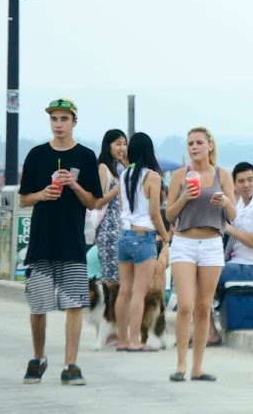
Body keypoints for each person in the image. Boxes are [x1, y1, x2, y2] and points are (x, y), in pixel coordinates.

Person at [19, 98, 102, 385]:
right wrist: (43, 194)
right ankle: (38, 357)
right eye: (54, 119)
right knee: (38, 306)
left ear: (74, 122)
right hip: (42, 240)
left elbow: (93, 202)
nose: (58, 124)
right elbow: (23, 198)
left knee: (74, 304)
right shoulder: (37, 155)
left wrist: (74, 184)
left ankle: (71, 364)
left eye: (64, 119)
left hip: (72, 242)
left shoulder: (86, 156)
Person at [165, 126, 236, 382]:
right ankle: (180, 365)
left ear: (210, 145)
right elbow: (169, 215)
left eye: (198, 143)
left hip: (211, 243)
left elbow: (233, 215)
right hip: (184, 242)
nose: (194, 147)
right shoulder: (179, 175)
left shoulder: (222, 175)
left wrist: (225, 202)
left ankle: (197, 367)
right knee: (185, 305)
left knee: (204, 307)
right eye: (190, 144)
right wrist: (184, 197)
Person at [208, 162, 253, 344]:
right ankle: (206, 330)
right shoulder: (240, 205)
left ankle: (210, 333)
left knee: (203, 276)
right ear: (234, 184)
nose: (246, 185)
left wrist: (228, 228)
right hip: (238, 265)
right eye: (241, 181)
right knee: (199, 271)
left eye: (250, 180)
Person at [115, 132, 166, 352]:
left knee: (124, 291)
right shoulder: (152, 176)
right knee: (139, 292)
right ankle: (135, 341)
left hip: (124, 235)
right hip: (143, 236)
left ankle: (122, 339)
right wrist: (165, 235)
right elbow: (154, 213)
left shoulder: (124, 174)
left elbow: (122, 207)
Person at [92, 128, 127, 338]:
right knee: (111, 281)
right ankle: (110, 328)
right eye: (118, 144)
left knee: (119, 280)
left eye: (124, 143)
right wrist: (118, 187)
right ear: (108, 146)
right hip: (108, 229)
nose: (122, 148)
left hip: (119, 227)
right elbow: (97, 201)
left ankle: (115, 327)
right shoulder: (103, 168)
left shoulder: (119, 168)